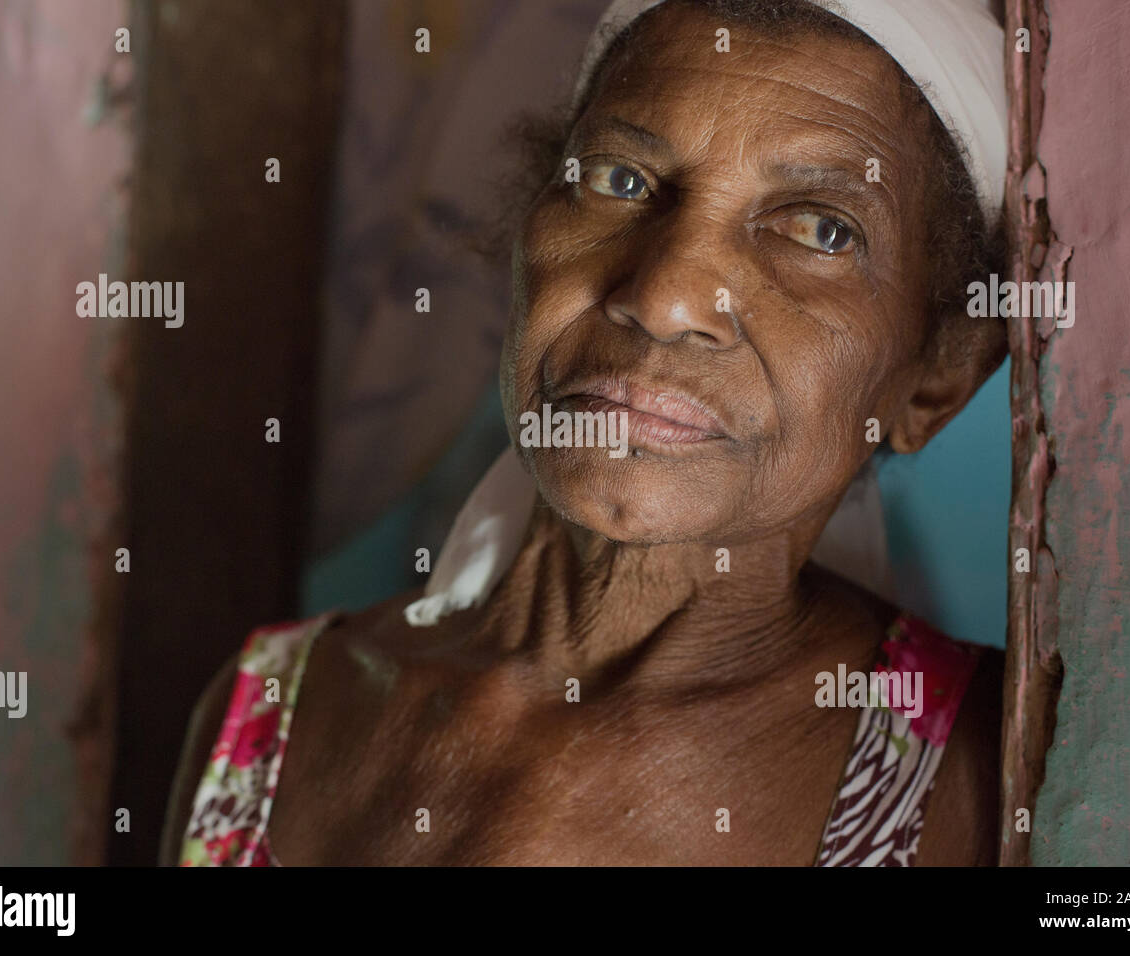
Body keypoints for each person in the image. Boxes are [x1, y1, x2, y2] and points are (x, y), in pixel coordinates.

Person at [162, 0, 1010, 866]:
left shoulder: (981, 778)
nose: (665, 296)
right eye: (618, 179)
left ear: (936, 378)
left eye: (821, 230)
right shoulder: (271, 711)